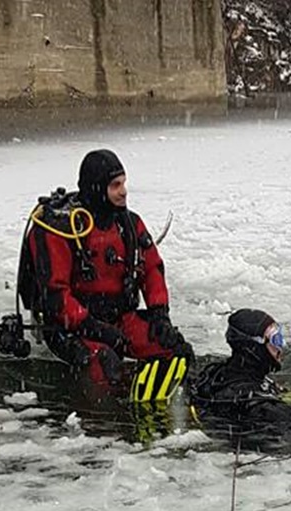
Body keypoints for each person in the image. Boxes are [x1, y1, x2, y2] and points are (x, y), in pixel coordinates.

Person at [21, 149, 192, 387]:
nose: (124, 191)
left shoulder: (129, 224)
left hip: (119, 318)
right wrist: (94, 328)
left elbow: (152, 269)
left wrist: (160, 314)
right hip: (71, 328)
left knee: (175, 350)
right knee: (104, 363)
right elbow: (56, 295)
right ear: (97, 188)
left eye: (123, 183)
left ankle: (167, 399)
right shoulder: (61, 230)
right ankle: (101, 409)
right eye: (115, 185)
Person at [189, 308, 291, 442]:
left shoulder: (216, 374)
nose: (282, 345)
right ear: (254, 347)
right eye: (275, 339)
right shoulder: (256, 405)